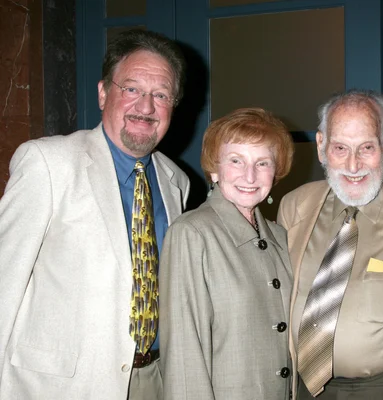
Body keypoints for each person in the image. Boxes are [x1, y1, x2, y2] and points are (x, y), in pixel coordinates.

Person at [0, 30, 189, 400]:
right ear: (104, 93)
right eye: (131, 89)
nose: (146, 107)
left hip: (154, 379)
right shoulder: (48, 164)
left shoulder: (175, 181)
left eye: (161, 95)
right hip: (59, 387)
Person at [278, 89, 383, 400]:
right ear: (321, 146)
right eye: (340, 148)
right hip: (303, 389)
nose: (353, 165)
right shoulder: (294, 207)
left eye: (367, 147)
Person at [160, 107, 295, 400]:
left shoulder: (281, 237)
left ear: (276, 170)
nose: (250, 175)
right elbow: (184, 354)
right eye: (236, 160)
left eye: (262, 163)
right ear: (214, 168)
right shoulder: (192, 233)